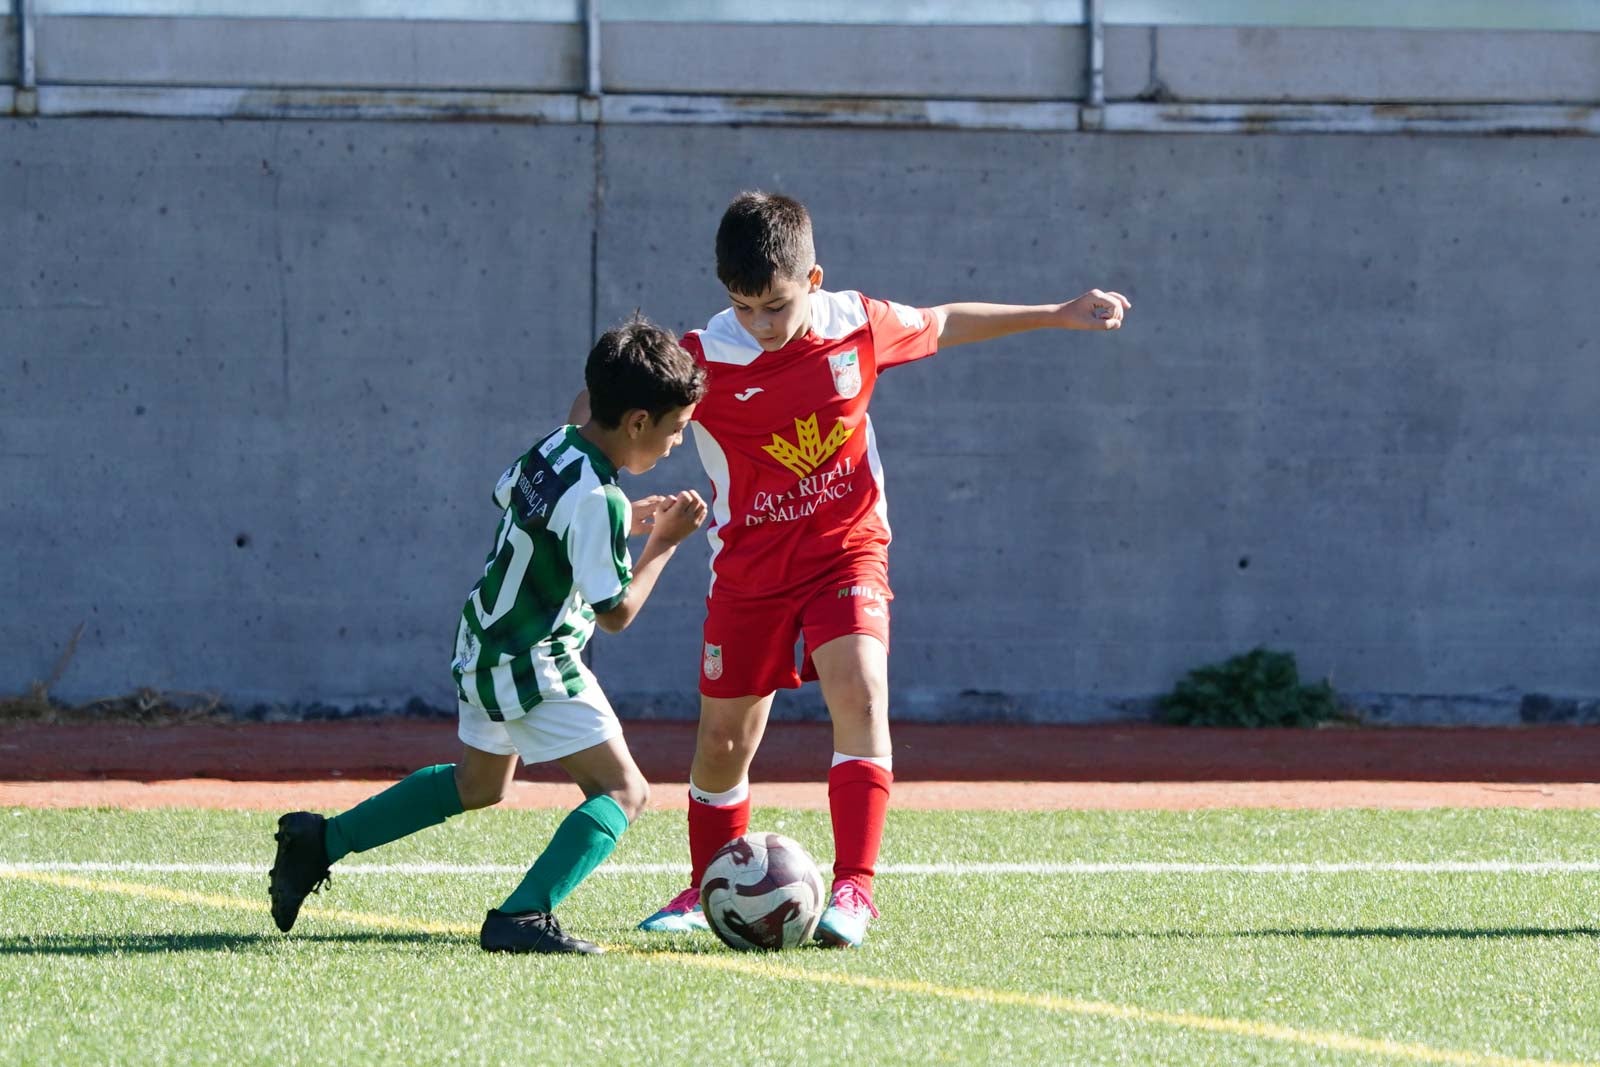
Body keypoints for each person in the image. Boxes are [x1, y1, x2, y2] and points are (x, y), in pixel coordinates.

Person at [634, 191, 1131, 947]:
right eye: (743, 307)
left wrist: (1058, 311)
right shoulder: (701, 357)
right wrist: (590, 467)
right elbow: (615, 410)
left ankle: (855, 890)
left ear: (815, 278)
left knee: (861, 688)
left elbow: (947, 320)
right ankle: (709, 887)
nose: (762, 326)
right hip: (750, 569)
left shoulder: (856, 323)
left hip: (846, 548)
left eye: (775, 304)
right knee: (724, 742)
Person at [268, 313, 708, 954]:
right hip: (533, 659)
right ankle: (523, 916)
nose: (674, 445)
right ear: (638, 421)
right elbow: (614, 613)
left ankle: (319, 841)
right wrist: (663, 544)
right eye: (675, 431)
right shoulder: (602, 499)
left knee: (479, 785)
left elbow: (535, 514)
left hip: (483, 640)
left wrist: (621, 524)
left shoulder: (556, 445)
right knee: (623, 791)